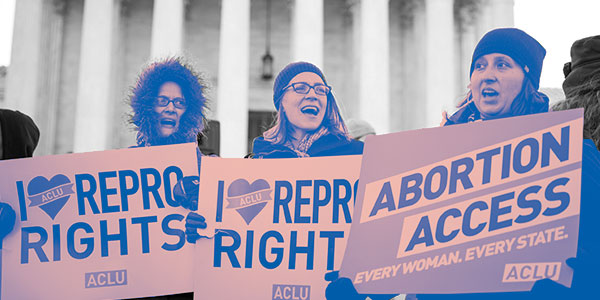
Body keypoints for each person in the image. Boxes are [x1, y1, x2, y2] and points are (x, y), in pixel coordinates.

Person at [325, 27, 561, 300]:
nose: (488, 75)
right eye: (479, 66)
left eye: (503, 65)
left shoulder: (559, 152)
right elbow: (409, 248)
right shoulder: (440, 155)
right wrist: (359, 283)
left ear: (527, 77)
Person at [183, 61, 363, 242]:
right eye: (300, 88)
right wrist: (201, 226)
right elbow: (236, 232)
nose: (312, 95)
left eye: (320, 89)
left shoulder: (359, 156)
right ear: (281, 101)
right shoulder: (256, 164)